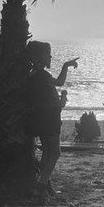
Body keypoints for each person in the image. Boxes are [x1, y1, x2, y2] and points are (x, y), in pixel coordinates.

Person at [24, 40, 78, 198]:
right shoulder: (42, 75)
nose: (50, 56)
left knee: (48, 151)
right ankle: (40, 186)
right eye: (47, 54)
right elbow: (60, 82)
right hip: (48, 119)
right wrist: (65, 66)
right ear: (38, 57)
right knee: (55, 152)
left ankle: (44, 183)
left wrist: (60, 102)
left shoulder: (34, 75)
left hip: (44, 117)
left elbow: (47, 99)